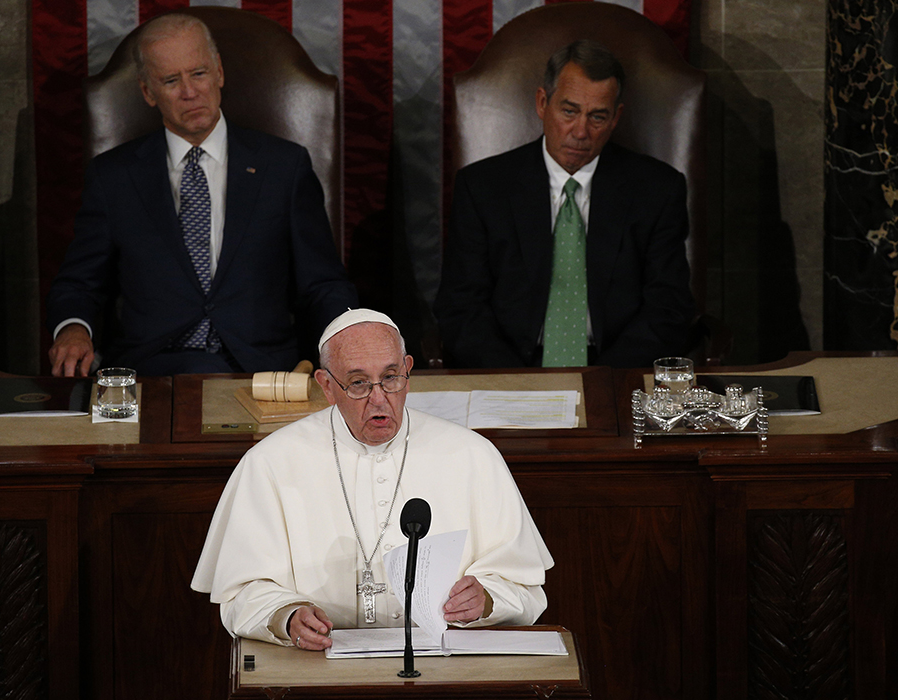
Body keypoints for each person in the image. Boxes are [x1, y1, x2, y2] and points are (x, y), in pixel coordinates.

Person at [191, 308, 553, 649]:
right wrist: (286, 617)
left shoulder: (473, 455)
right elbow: (241, 593)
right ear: (327, 386)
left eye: (391, 378)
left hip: (443, 661)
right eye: (359, 383)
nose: (379, 399)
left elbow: (524, 588)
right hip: (322, 666)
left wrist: (486, 600)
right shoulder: (270, 463)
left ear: (408, 371)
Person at [46, 13, 357, 377]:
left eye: (198, 73)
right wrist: (73, 328)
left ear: (219, 73)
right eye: (171, 80)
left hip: (260, 370)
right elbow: (80, 282)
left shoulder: (283, 167)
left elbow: (322, 282)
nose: (189, 92)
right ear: (148, 92)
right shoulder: (114, 176)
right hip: (152, 370)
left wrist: (350, 338)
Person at [434, 39, 695, 369]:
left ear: (616, 118)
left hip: (616, 368)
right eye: (569, 111)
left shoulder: (657, 190)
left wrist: (602, 379)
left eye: (597, 117)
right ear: (543, 103)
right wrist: (518, 384)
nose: (580, 131)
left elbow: (668, 307)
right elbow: (461, 307)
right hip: (510, 368)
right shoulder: (483, 187)